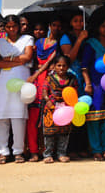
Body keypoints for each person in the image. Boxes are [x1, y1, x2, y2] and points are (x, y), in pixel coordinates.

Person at [81, 17, 105, 161]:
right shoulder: (90, 44)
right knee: (94, 118)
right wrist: (88, 83)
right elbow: (84, 66)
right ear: (98, 27)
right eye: (103, 25)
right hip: (95, 85)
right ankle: (96, 149)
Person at [0, 15, 35, 163]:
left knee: (19, 117)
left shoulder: (27, 39)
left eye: (14, 26)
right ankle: (3, 152)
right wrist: (17, 61)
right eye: (8, 27)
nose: (12, 29)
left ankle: (18, 151)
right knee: (2, 118)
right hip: (2, 82)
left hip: (21, 81)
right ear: (5, 28)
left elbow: (27, 58)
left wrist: (6, 60)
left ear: (19, 26)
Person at [27, 17, 63, 162]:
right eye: (54, 24)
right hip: (35, 80)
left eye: (59, 26)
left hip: (48, 78)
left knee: (48, 117)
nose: (56, 28)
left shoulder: (58, 44)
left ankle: (47, 151)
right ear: (49, 26)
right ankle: (34, 151)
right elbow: (34, 60)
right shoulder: (38, 42)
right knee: (33, 118)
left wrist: (36, 73)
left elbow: (48, 63)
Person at [59, 13, 88, 157]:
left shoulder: (87, 36)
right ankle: (70, 148)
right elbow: (68, 57)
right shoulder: (66, 37)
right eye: (75, 21)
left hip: (84, 76)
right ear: (71, 23)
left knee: (82, 110)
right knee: (71, 111)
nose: (78, 23)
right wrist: (80, 40)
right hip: (71, 76)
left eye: (81, 21)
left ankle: (82, 146)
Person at [41, 54, 77, 163]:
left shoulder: (72, 79)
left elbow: (74, 92)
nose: (61, 68)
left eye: (64, 66)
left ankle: (61, 153)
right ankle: (47, 154)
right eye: (59, 65)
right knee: (49, 133)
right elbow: (44, 91)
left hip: (66, 109)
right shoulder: (49, 78)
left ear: (68, 67)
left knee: (64, 133)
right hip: (51, 108)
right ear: (54, 66)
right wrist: (47, 100)